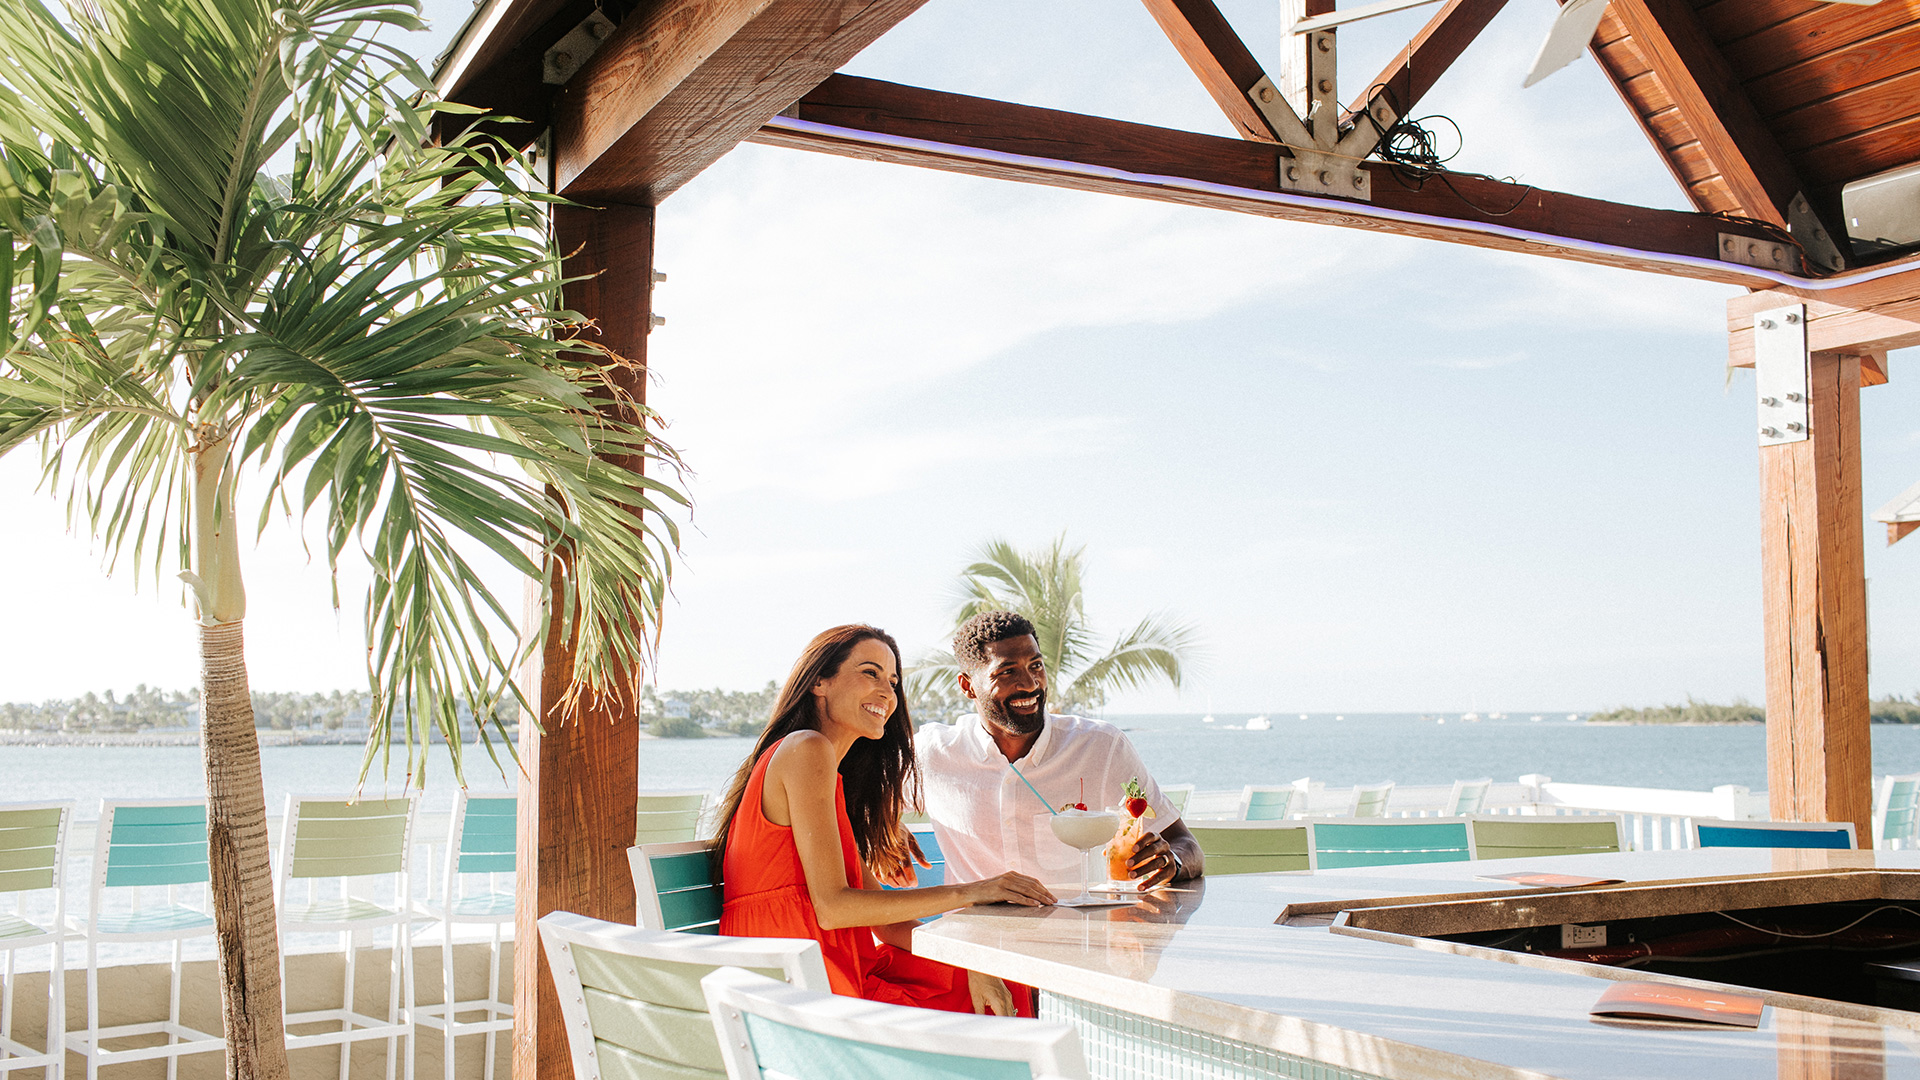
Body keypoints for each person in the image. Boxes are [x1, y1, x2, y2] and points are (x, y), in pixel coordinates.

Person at [712, 624, 1055, 1016]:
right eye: (870, 673)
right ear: (819, 681)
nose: (886, 692)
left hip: (824, 963)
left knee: (999, 975)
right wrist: (973, 891)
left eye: (892, 681)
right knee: (996, 997)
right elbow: (833, 908)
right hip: (797, 981)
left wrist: (967, 959)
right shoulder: (807, 749)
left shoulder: (825, 773)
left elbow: (887, 925)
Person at [916, 610, 1205, 889]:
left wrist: (1173, 861)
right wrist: (889, 832)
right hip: (970, 937)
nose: (1030, 684)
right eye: (1007, 672)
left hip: (1079, 935)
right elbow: (871, 808)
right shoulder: (933, 752)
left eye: (1036, 666)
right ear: (967, 686)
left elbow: (1187, 845)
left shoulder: (1100, 746)